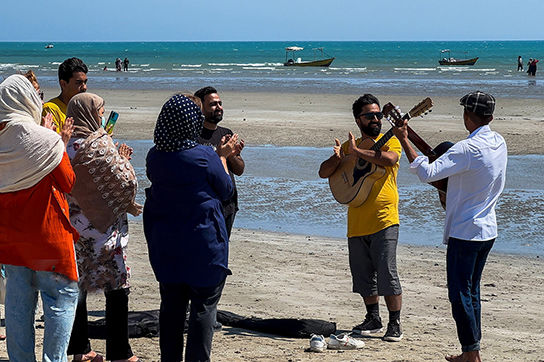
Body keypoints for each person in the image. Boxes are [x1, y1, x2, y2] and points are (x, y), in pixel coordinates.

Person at [392, 91, 507, 362]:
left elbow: (427, 173)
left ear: (467, 116)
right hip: (487, 229)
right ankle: (472, 349)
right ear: (490, 116)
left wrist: (404, 140)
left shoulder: (467, 148)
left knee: (459, 294)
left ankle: (471, 354)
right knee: (472, 292)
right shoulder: (498, 142)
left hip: (465, 232)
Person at [143, 94, 238, 361]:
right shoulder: (204, 156)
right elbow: (226, 189)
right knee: (204, 308)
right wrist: (222, 157)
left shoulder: (155, 156)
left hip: (166, 244)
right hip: (203, 244)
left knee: (171, 307)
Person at [0, 74, 79, 361]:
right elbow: (68, 181)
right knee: (60, 301)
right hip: (49, 237)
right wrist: (56, 139)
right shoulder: (45, 139)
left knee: (18, 307)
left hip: (11, 240)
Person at [318, 94, 404, 342]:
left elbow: (390, 159)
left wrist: (358, 152)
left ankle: (395, 323)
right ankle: (372, 318)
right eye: (370, 115)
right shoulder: (349, 147)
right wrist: (337, 158)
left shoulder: (390, 141)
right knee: (363, 274)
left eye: (379, 115)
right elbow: (324, 173)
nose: (376, 119)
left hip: (384, 217)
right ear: (359, 119)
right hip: (356, 220)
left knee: (387, 272)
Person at [65, 93, 141, 362]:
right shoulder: (100, 146)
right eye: (100, 110)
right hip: (104, 231)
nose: (101, 115)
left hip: (75, 230)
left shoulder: (63, 146)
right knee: (118, 288)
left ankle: (80, 350)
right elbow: (126, 183)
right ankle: (120, 353)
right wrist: (123, 160)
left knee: (78, 290)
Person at [194, 86, 245, 238]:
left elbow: (240, 170)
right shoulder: (194, 135)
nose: (219, 107)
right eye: (213, 104)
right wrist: (220, 154)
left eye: (220, 103)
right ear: (201, 108)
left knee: (222, 253)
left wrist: (231, 155)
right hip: (205, 206)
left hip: (228, 206)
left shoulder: (226, 133)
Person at [42, 57, 88, 133]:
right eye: (78, 83)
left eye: (85, 82)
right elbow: (52, 142)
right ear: (63, 84)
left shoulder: (82, 109)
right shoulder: (51, 109)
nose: (84, 87)